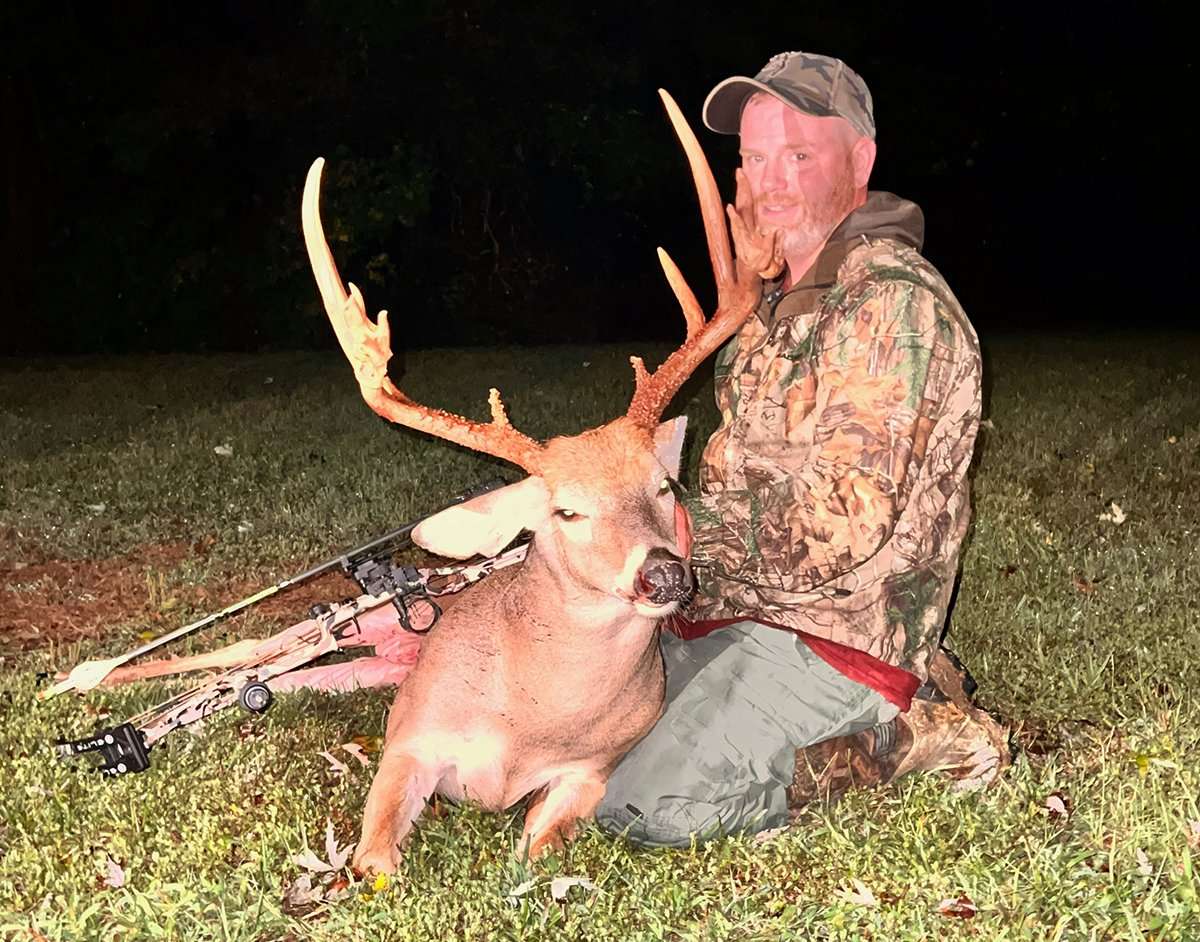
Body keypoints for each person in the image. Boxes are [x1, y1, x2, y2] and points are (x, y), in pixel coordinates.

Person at [594, 51, 1010, 846]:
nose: (769, 182)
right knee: (573, 748)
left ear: (860, 162)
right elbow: (735, 476)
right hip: (728, 611)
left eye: (798, 154)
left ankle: (907, 739)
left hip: (839, 637)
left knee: (647, 807)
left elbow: (841, 525)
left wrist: (673, 533)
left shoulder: (892, 305)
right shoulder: (768, 307)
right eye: (753, 158)